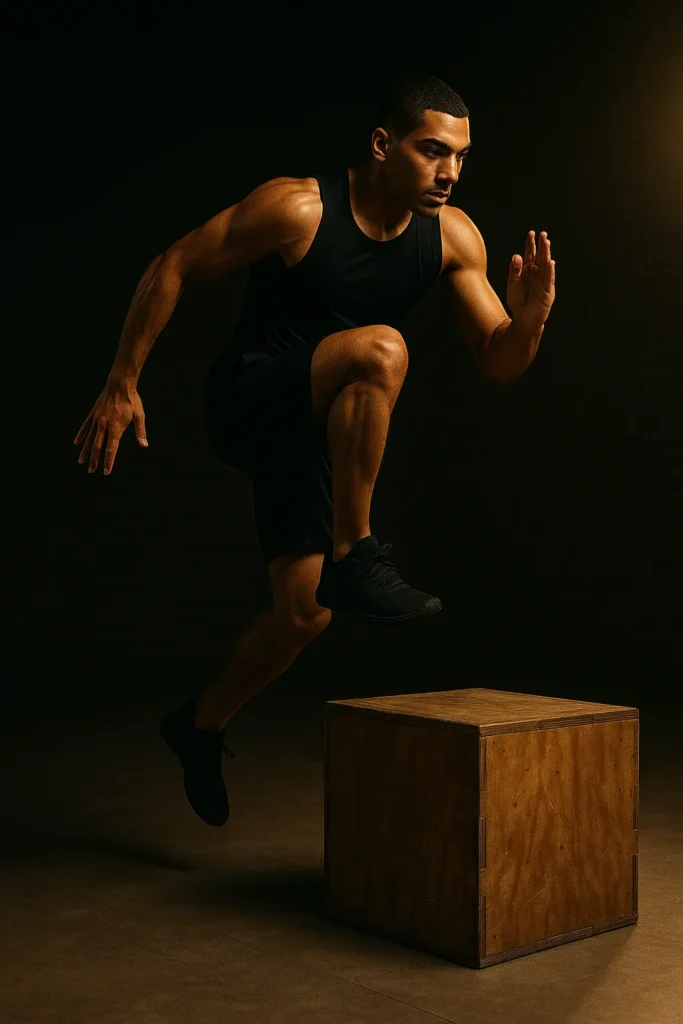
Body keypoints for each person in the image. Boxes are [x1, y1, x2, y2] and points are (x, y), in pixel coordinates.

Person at [73, 73, 555, 827]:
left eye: (459, 157)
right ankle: (356, 551)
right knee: (382, 349)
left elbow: (498, 361)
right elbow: (174, 264)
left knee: (303, 616)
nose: (449, 172)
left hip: (318, 430)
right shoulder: (299, 206)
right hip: (250, 399)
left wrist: (528, 322)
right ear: (380, 143)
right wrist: (122, 380)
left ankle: (198, 725)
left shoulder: (453, 236)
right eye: (432, 151)